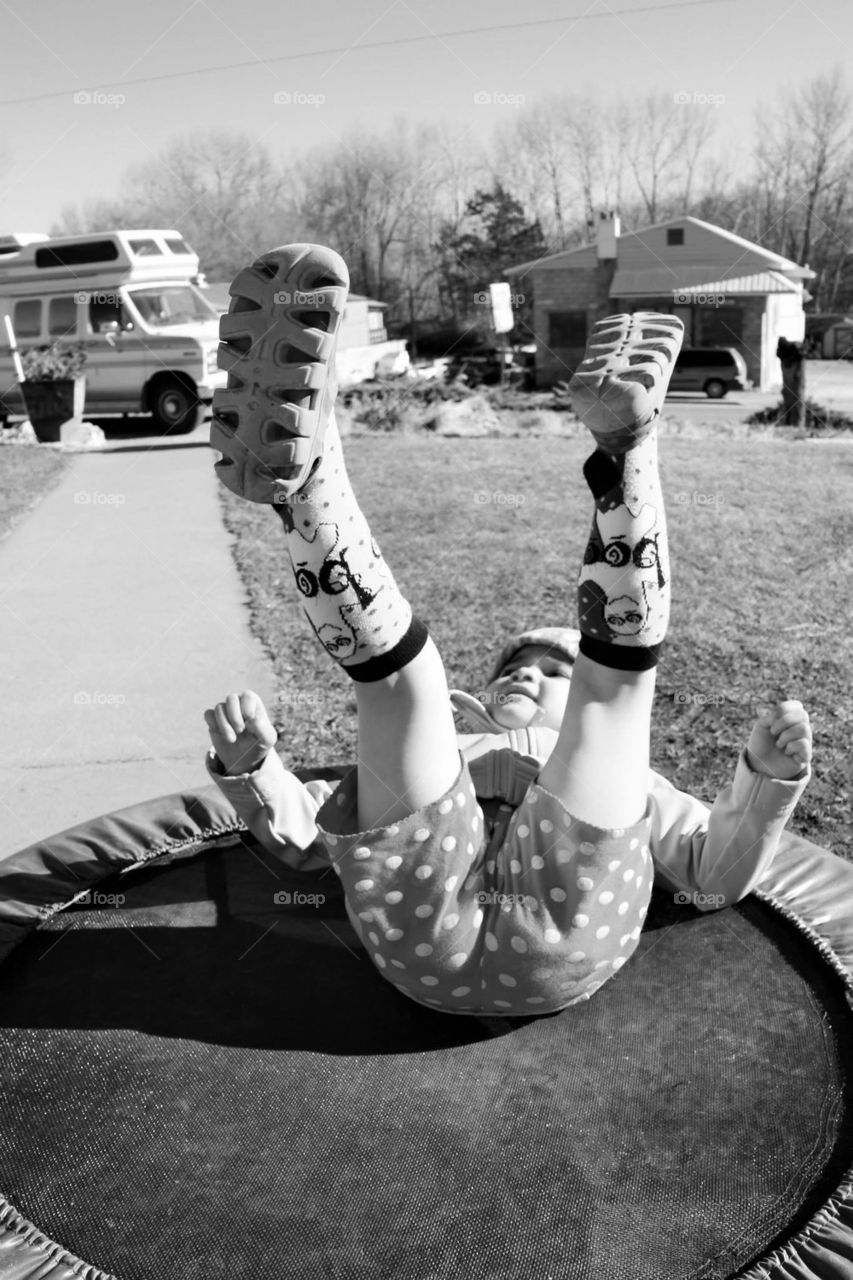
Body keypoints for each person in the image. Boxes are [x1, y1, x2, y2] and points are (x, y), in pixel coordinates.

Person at [205, 243, 812, 1017]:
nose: (528, 674)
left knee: (408, 686)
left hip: (471, 944)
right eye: (517, 668)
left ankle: (309, 489)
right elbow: (307, 839)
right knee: (592, 692)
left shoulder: (641, 792)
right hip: (470, 926)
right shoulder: (455, 748)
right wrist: (258, 773)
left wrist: (761, 782)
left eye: (548, 671)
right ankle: (621, 451)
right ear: (485, 701)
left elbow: (711, 872)